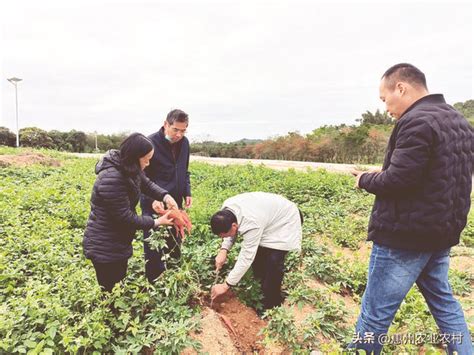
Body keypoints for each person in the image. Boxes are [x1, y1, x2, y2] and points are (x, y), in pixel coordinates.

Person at [349, 63, 473, 354]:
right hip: (440, 234)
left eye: (384, 99)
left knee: (374, 314)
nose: (385, 108)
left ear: (401, 88)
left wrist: (364, 179)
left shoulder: (416, 121)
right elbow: (433, 176)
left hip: (405, 237)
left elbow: (399, 179)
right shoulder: (457, 120)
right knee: (445, 304)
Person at [83, 133, 179, 292]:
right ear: (135, 157)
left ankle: (115, 310)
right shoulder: (112, 178)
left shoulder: (128, 167)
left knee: (118, 282)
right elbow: (124, 217)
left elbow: (146, 184)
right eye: (146, 159)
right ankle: (110, 314)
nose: (148, 163)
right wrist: (156, 222)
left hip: (117, 241)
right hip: (104, 244)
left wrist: (165, 196)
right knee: (110, 289)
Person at [210, 192, 303, 311]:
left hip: (286, 219)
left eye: (225, 235)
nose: (224, 238)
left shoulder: (251, 223)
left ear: (234, 225)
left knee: (273, 263)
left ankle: (272, 305)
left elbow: (246, 257)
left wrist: (226, 285)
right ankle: (260, 291)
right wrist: (224, 249)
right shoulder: (227, 209)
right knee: (259, 260)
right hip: (267, 217)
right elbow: (229, 233)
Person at [140, 109, 192, 283]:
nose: (179, 134)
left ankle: (174, 278)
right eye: (175, 129)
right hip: (154, 204)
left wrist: (187, 191)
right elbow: (140, 177)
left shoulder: (185, 144)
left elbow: (184, 171)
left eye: (183, 131)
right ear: (165, 124)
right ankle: (155, 282)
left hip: (174, 203)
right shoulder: (149, 143)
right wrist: (152, 197)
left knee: (175, 239)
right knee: (153, 244)